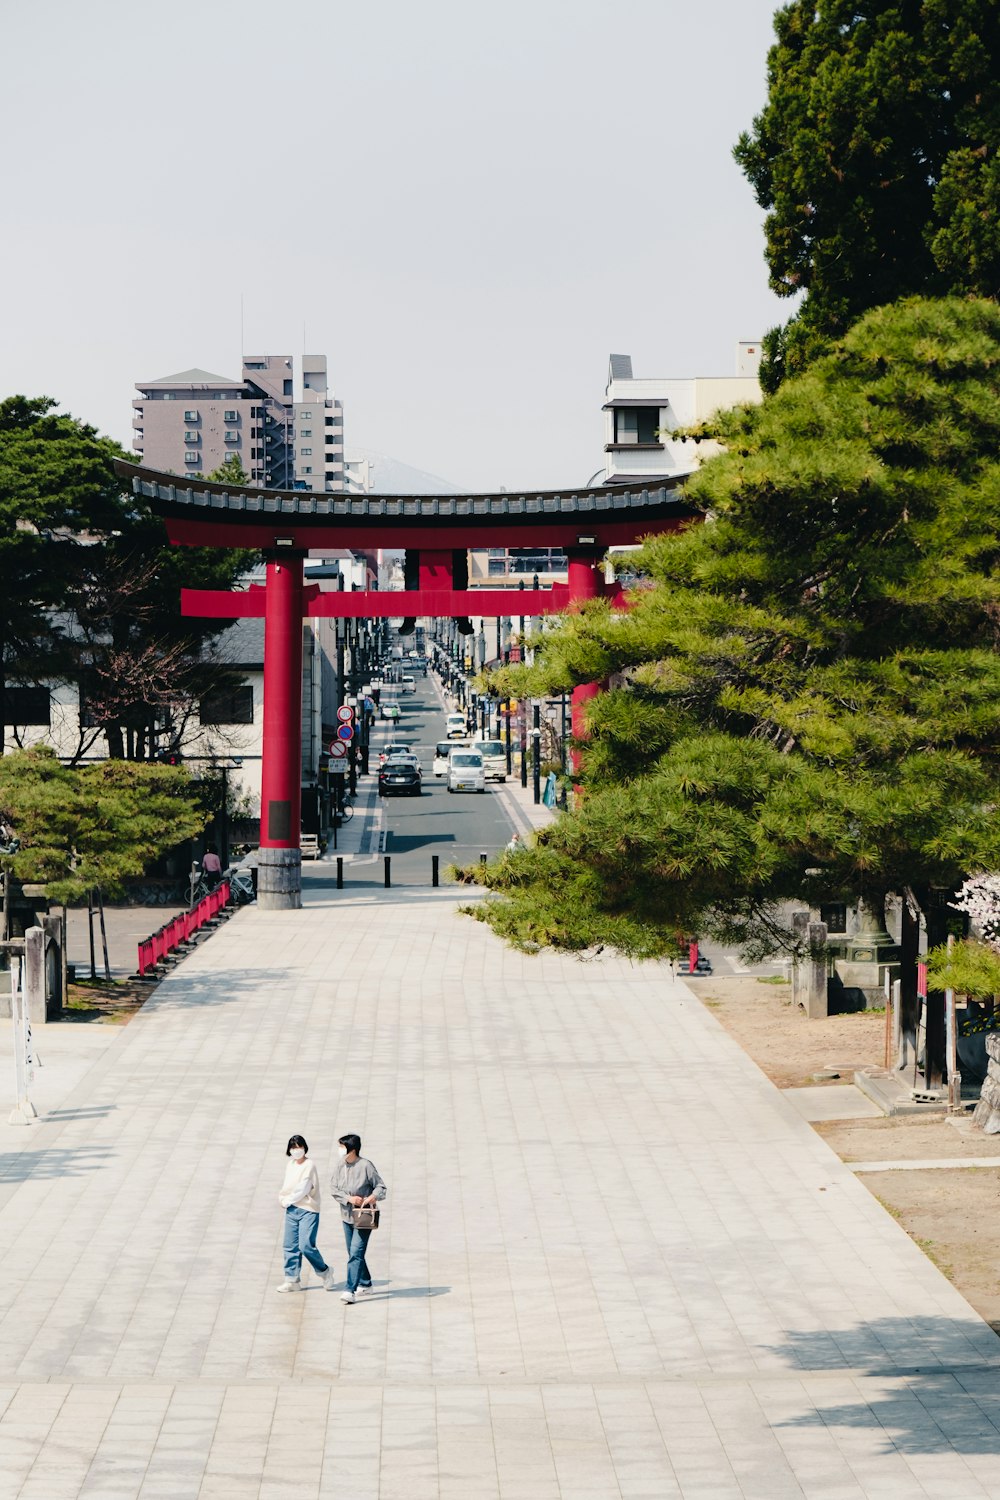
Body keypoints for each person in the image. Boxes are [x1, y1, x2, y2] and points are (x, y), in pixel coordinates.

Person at [330, 1133, 387, 1303]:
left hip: (363, 1216)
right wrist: (349, 1199)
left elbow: (380, 1186)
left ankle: (350, 1290)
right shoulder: (340, 1165)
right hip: (347, 1216)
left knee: (355, 1253)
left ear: (352, 1149)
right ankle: (366, 1282)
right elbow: (333, 1189)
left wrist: (371, 1197)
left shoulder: (366, 1165)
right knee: (354, 1252)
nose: (340, 1150)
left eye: (342, 1146)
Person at [276, 1135, 335, 1293]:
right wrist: (284, 1199)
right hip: (291, 1209)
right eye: (293, 1148)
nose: (296, 1150)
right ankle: (292, 1280)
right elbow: (287, 1186)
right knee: (290, 1246)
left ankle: (325, 1271)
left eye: (299, 1147)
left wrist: (287, 1200)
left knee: (306, 1245)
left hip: (308, 1209)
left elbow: (303, 1189)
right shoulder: (290, 1164)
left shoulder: (309, 1165)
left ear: (304, 1148)